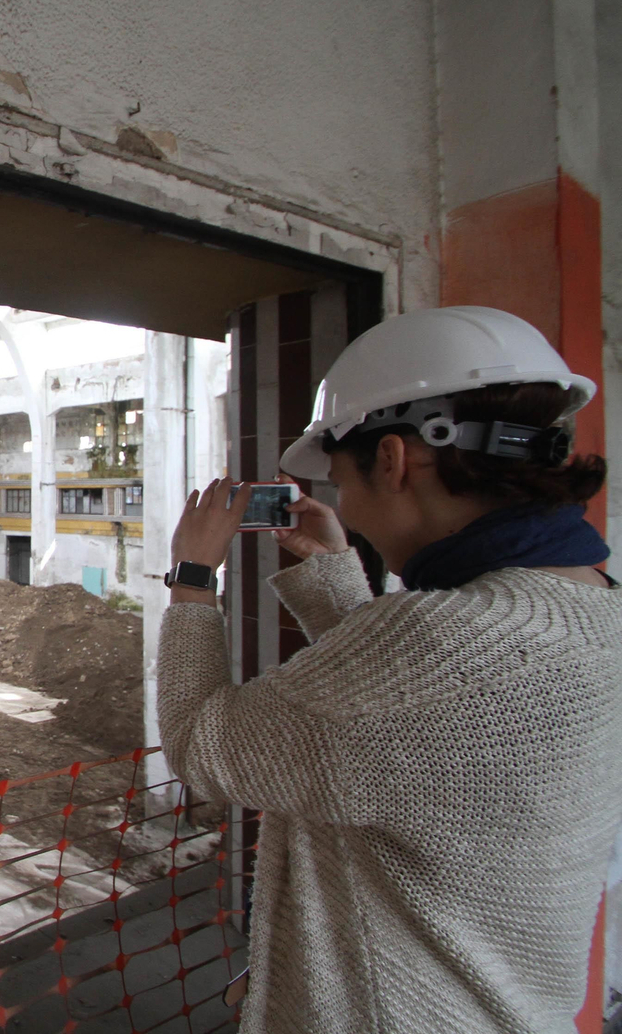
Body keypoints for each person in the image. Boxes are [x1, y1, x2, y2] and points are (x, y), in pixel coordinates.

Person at [156, 306, 622, 1033]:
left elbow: (200, 745)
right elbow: (417, 735)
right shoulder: (593, 603)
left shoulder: (445, 643)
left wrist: (191, 578)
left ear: (396, 460)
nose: (350, 507)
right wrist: (336, 578)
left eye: (342, 480)